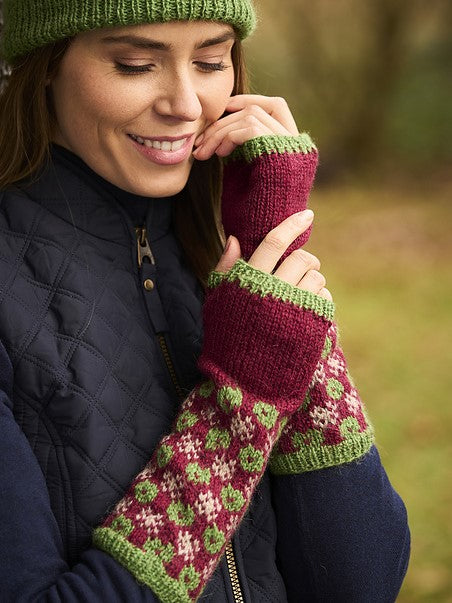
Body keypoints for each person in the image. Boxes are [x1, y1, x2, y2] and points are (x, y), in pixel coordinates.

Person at [0, 1, 410, 601]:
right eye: (136, 64)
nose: (187, 105)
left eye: (212, 61)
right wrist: (238, 407)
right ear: (45, 66)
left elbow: (359, 583)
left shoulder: (213, 249)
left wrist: (272, 243)